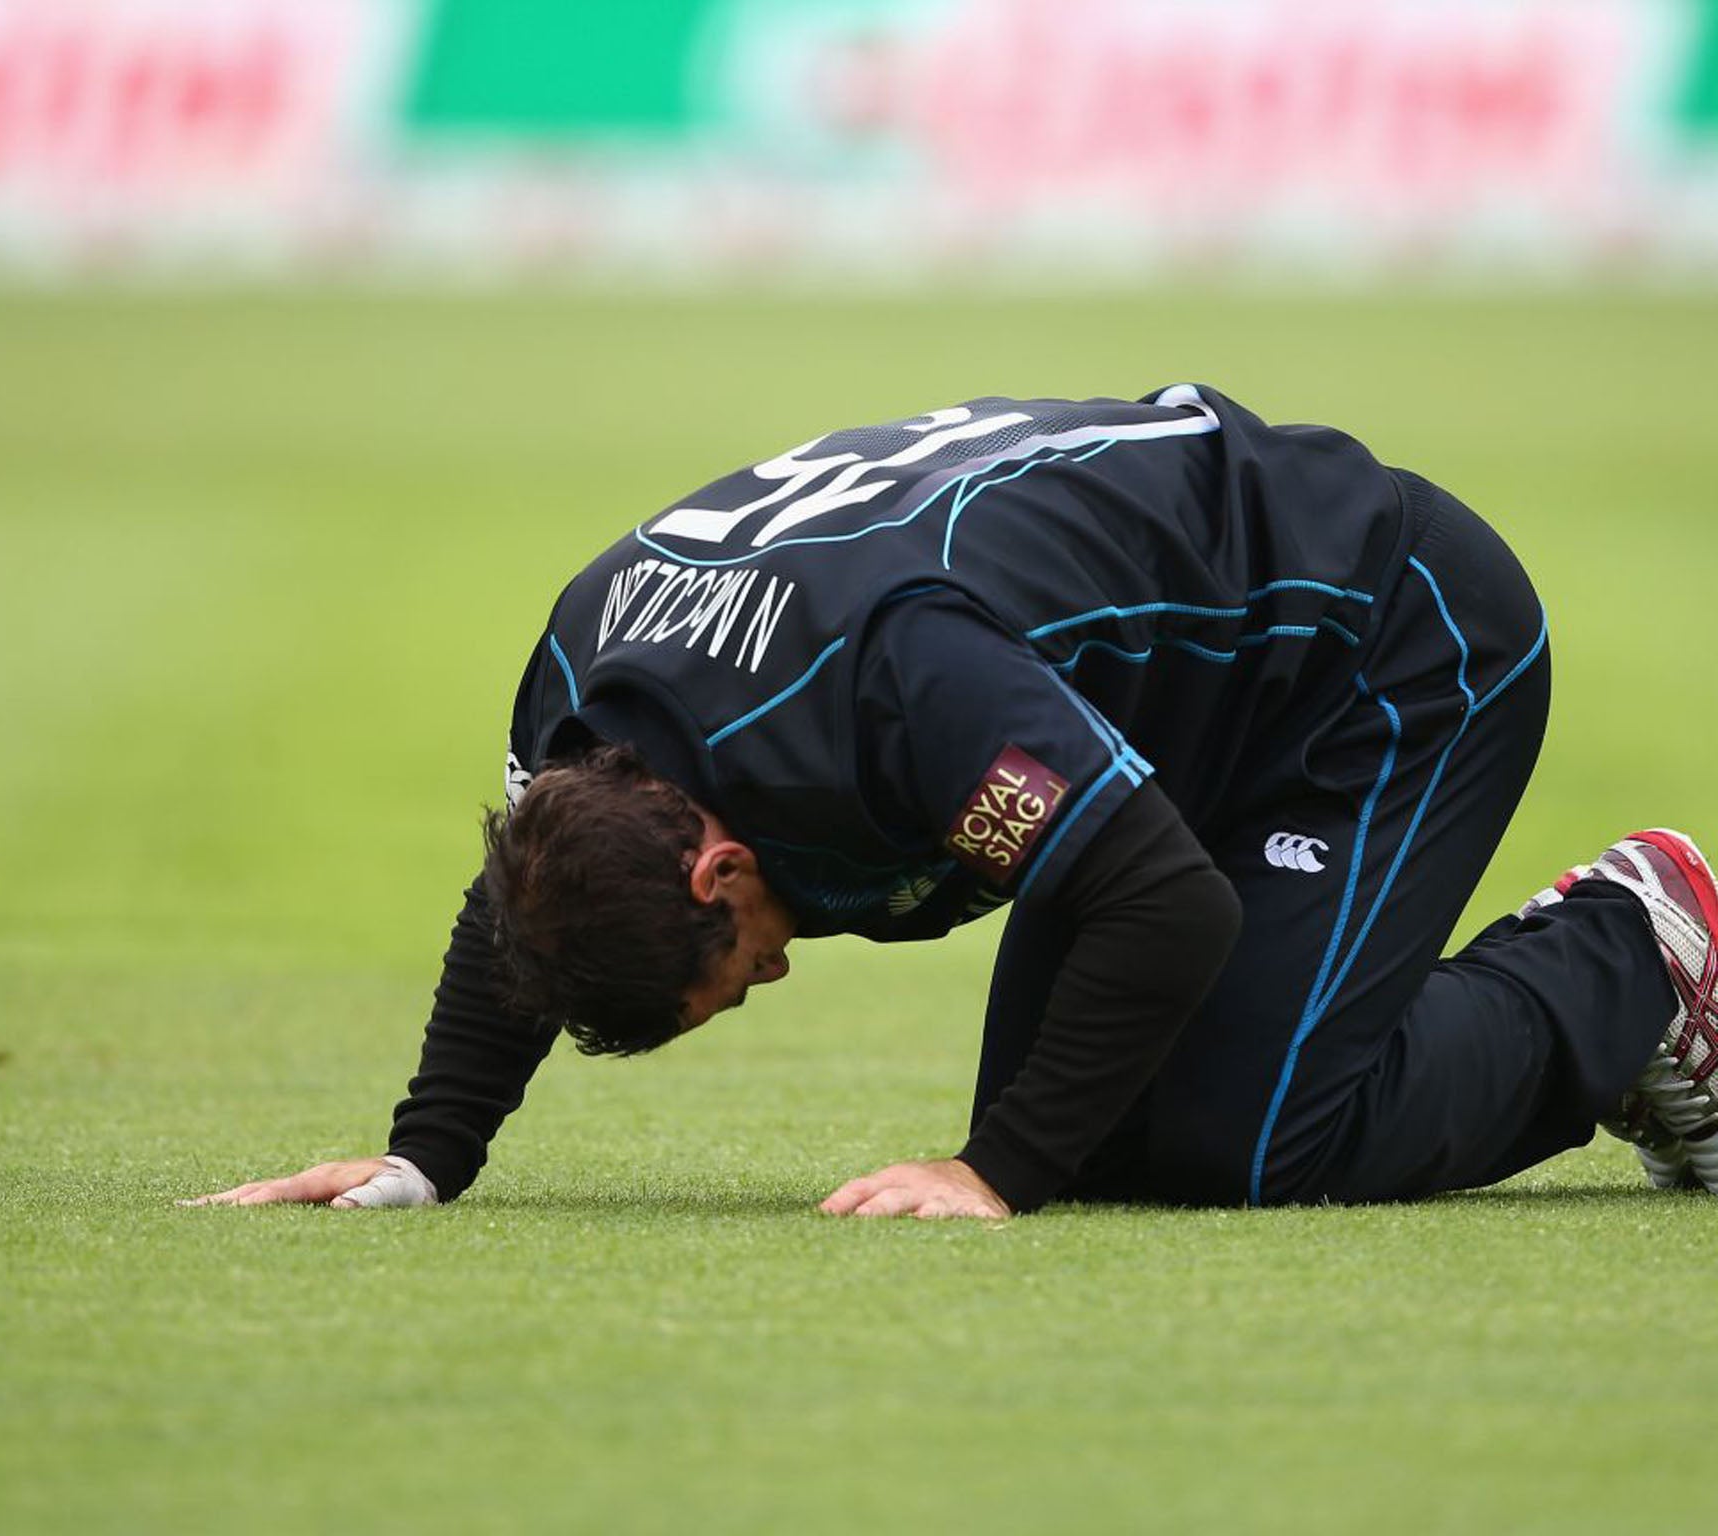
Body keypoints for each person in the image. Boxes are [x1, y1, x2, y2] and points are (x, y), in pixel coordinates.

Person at [187, 384, 1717, 1218]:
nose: (774, 978)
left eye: (739, 972)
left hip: (1382, 638)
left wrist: (995, 1177)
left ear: (720, 868)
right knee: (1099, 1125)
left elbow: (1161, 903)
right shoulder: (584, 714)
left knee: (1250, 1146)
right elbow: (531, 898)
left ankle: (1634, 951)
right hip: (1158, 700)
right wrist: (425, 1155)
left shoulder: (893, 692)